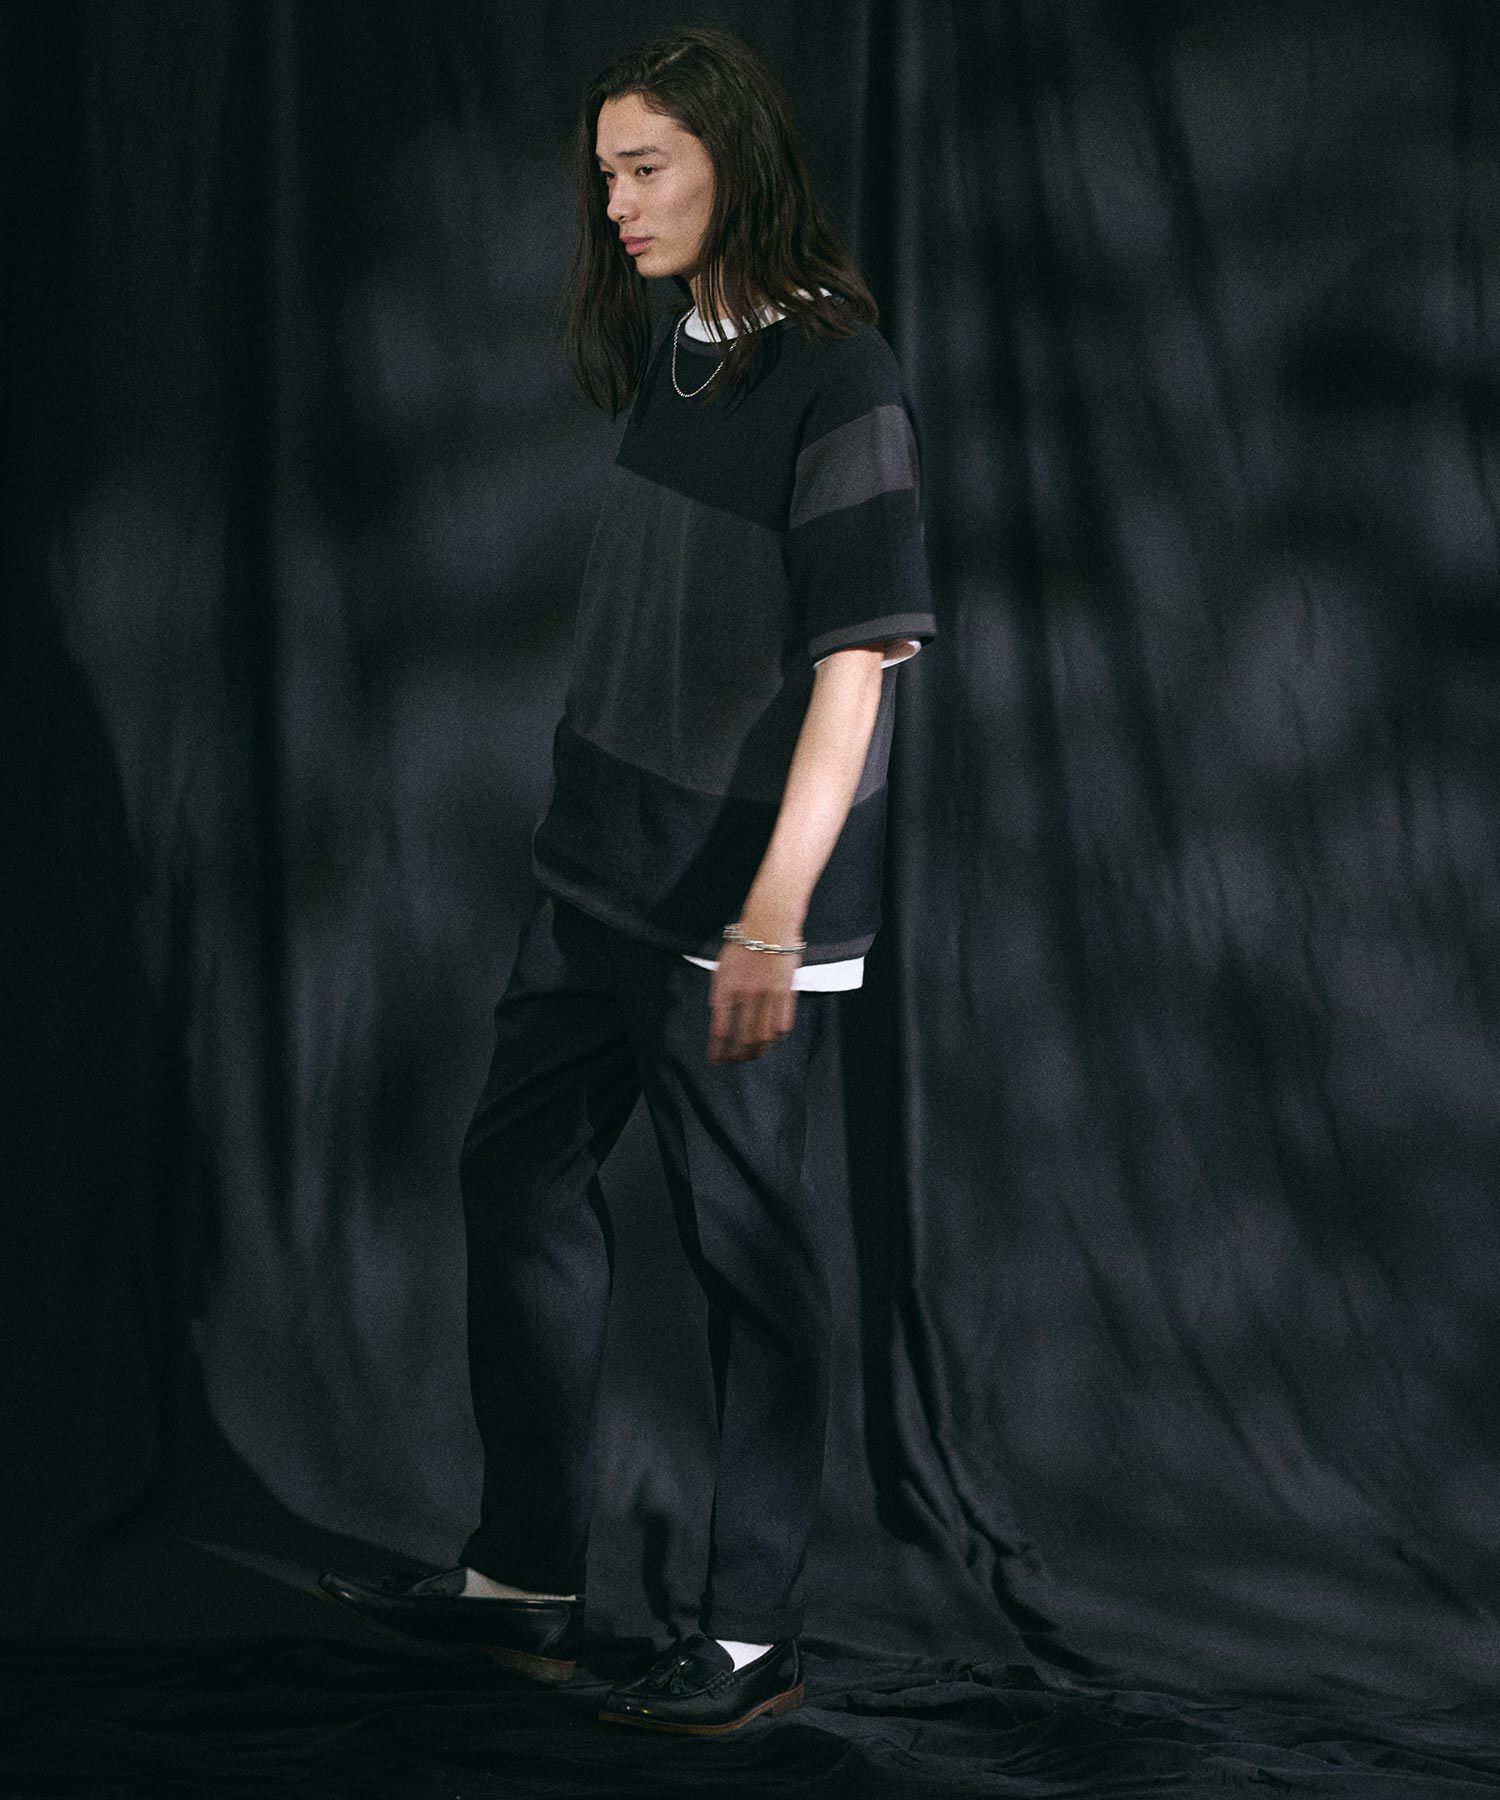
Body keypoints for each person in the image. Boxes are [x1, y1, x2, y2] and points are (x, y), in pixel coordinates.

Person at [319, 24, 937, 1735]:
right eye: (604, 174)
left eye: (646, 167)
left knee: (749, 1262)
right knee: (515, 1178)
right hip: (597, 869)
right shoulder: (684, 345)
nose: (616, 204)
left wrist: (772, 919)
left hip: (736, 908)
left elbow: (858, 675)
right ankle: (525, 1581)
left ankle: (749, 1638)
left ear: (737, 157)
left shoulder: (843, 378)